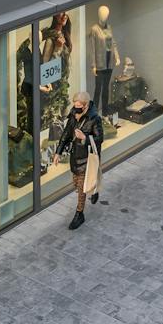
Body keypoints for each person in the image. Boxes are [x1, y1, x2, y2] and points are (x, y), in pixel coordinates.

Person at [52, 92, 104, 229]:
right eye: (75, 105)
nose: (76, 108)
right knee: (76, 183)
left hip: (87, 158)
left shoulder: (94, 118)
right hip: (75, 156)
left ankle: (79, 214)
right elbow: (66, 134)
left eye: (79, 106)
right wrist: (58, 152)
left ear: (85, 105)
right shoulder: (73, 115)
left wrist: (84, 138)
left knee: (81, 188)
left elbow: (99, 139)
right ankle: (94, 188)